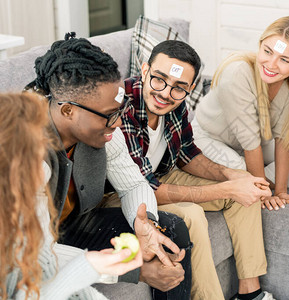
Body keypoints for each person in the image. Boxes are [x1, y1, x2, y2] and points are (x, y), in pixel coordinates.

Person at [25, 33, 191, 299]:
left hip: (71, 225)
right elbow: (34, 254)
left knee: (168, 234)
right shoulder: (26, 154)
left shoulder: (100, 127)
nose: (117, 122)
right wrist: (134, 270)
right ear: (68, 110)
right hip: (25, 249)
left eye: (121, 109)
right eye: (109, 115)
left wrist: (146, 224)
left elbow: (133, 184)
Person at [118, 39, 275, 300]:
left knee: (244, 188)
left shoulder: (175, 104)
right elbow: (143, 188)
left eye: (179, 88)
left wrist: (232, 175)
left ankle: (250, 293)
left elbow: (187, 153)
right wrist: (225, 187)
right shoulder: (125, 106)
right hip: (121, 192)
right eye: (159, 79)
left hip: (161, 174)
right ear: (145, 70)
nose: (166, 93)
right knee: (190, 214)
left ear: (190, 88)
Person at [1, 92, 143, 300]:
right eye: (34, 152)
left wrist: (90, 268)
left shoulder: (28, 208)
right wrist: (87, 267)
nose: (46, 163)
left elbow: (42, 279)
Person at [192, 16, 289, 211]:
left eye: (284, 59)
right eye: (267, 51)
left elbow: (284, 139)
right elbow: (251, 144)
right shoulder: (237, 74)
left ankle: (251, 180)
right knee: (241, 169)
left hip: (257, 141)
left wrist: (281, 191)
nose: (271, 64)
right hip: (210, 137)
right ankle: (249, 180)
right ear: (260, 45)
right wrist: (264, 193)